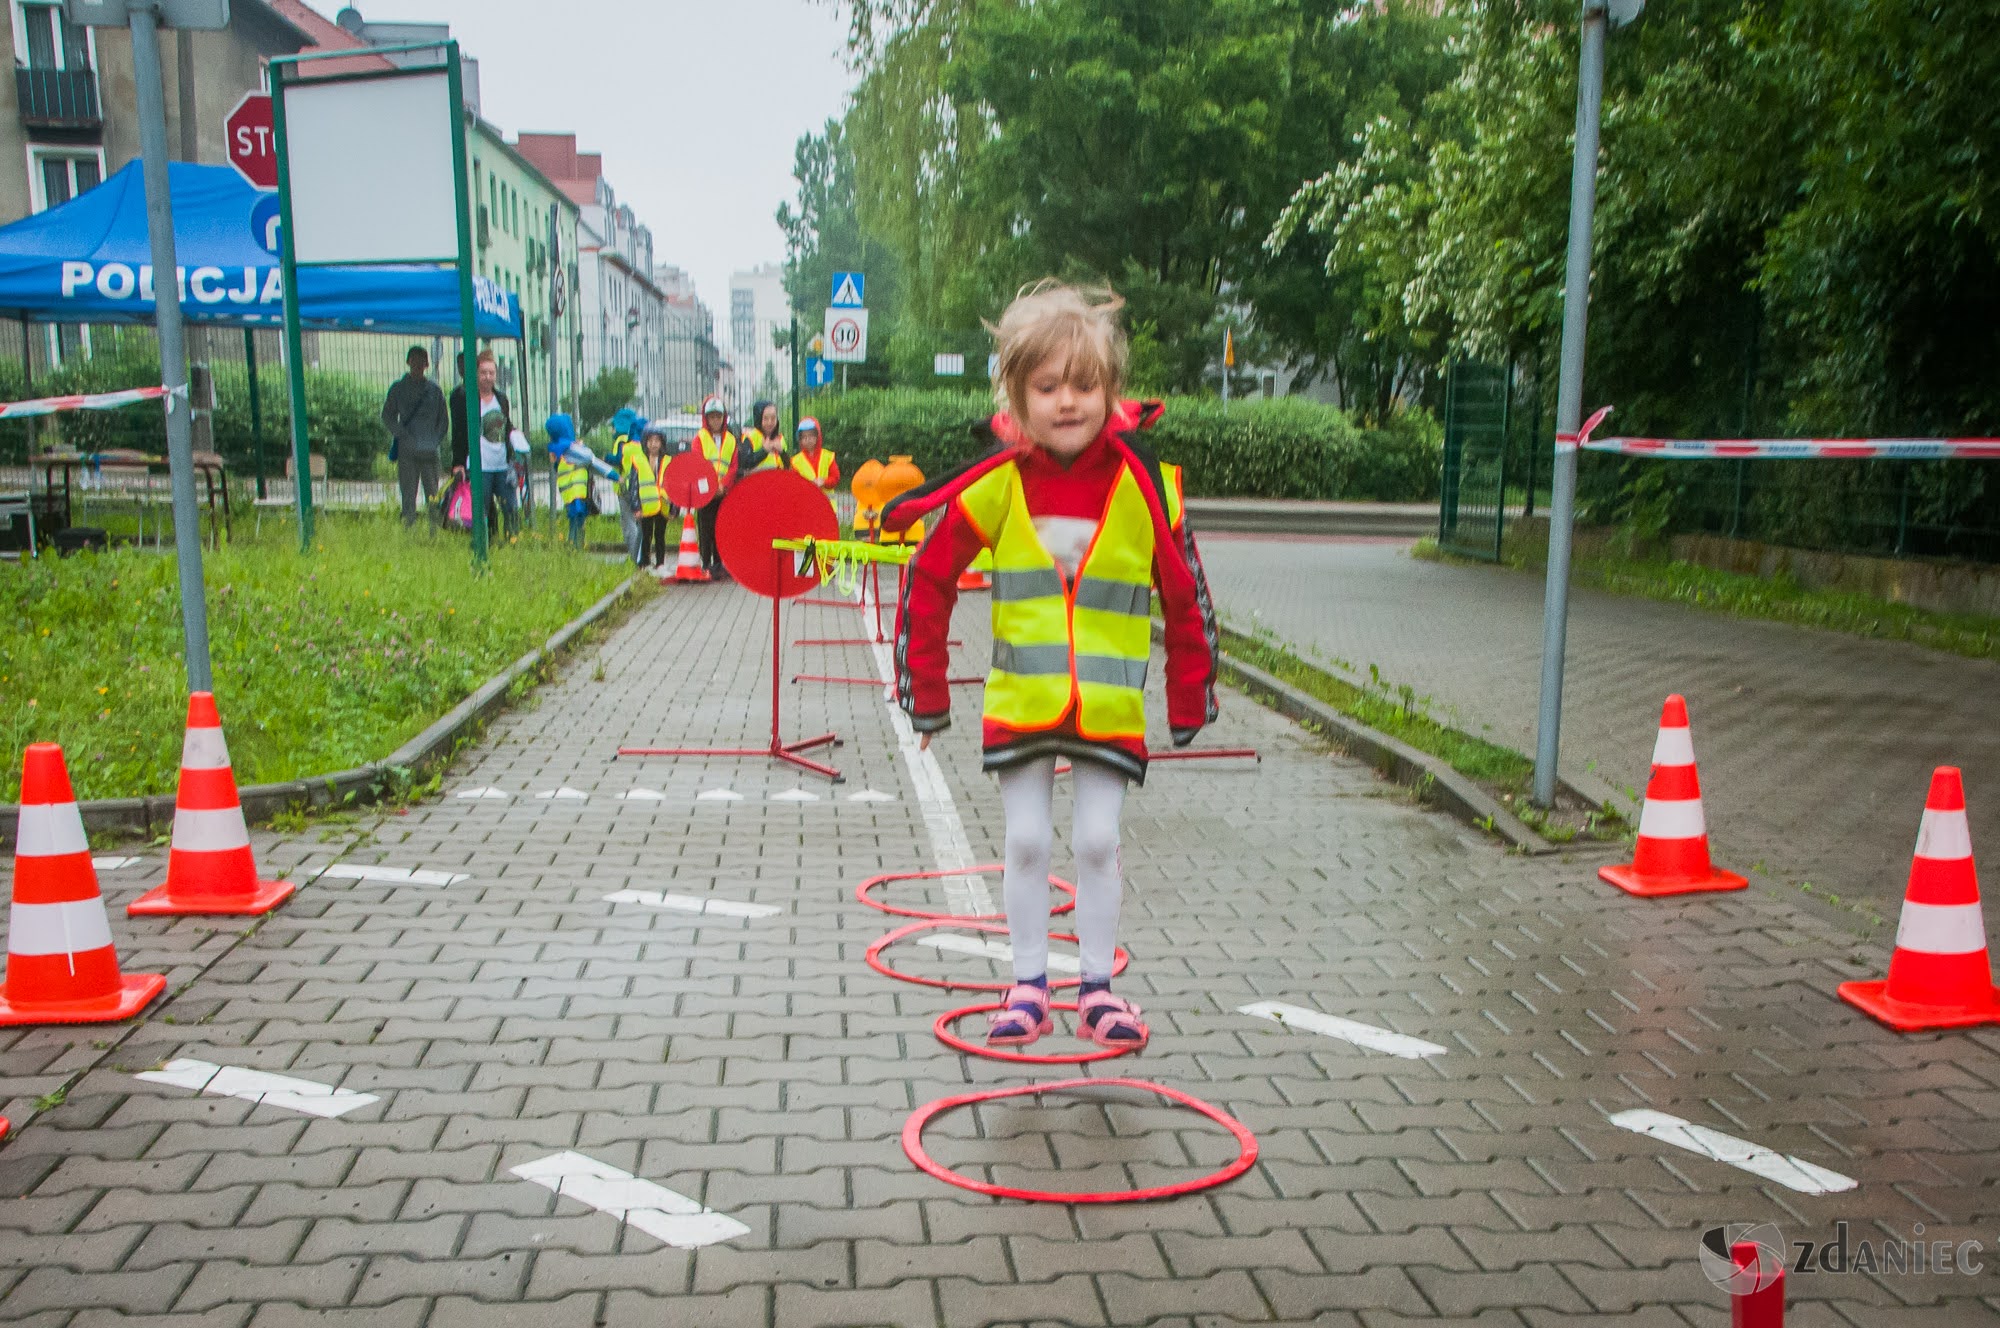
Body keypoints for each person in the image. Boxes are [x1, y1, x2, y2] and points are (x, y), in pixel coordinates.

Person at [883, 281, 1218, 1050]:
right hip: (1024, 701)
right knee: (1029, 841)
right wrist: (925, 699)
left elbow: (1186, 596)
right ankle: (1027, 984)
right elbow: (928, 579)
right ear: (1016, 395)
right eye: (1047, 386)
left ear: (1111, 391)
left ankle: (1097, 989)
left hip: (1108, 708)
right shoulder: (997, 485)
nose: (1068, 400)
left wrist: (1188, 698)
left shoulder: (1149, 486)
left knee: (1097, 841)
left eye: (1085, 384)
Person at [449, 349, 520, 539]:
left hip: (502, 464)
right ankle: (483, 543)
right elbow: (458, 433)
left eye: (491, 373)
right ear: (476, 374)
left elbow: (506, 426)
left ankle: (512, 542)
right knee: (481, 510)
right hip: (479, 466)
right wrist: (458, 463)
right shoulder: (466, 399)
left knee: (511, 508)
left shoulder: (501, 399)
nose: (488, 377)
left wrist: (515, 438)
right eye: (483, 373)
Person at [380, 345, 447, 526]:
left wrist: (434, 441)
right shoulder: (398, 389)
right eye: (414, 360)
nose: (418, 364)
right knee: (408, 496)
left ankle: (435, 533)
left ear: (426, 364)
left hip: (430, 453)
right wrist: (401, 434)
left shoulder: (435, 390)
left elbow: (444, 422)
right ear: (408, 362)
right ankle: (408, 532)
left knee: (433, 496)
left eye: (421, 361)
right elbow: (387, 416)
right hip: (407, 452)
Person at [545, 413, 616, 547]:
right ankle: (576, 547)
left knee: (574, 520)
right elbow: (589, 458)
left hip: (568, 493)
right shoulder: (571, 449)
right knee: (579, 520)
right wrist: (581, 447)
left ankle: (574, 545)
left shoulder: (556, 448)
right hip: (578, 492)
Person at [692, 394, 738, 579]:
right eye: (712, 417)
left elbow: (733, 466)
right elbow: (698, 464)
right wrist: (712, 486)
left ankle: (720, 563)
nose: (715, 420)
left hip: (723, 492)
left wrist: (724, 485)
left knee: (721, 528)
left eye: (718, 416)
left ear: (724, 417)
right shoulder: (699, 438)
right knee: (706, 528)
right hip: (705, 492)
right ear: (706, 418)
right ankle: (707, 563)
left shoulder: (731, 440)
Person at [639, 425, 673, 568]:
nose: (653, 444)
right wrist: (635, 506)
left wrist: (674, 509)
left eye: (657, 441)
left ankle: (660, 563)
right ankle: (645, 562)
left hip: (663, 505)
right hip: (646, 505)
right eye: (650, 441)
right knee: (646, 535)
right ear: (645, 443)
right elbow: (634, 485)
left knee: (660, 535)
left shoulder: (667, 461)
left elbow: (674, 485)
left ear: (662, 443)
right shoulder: (640, 461)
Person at [738, 400, 788, 474]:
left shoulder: (780, 439)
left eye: (773, 418)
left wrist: (782, 452)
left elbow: (788, 465)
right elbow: (745, 464)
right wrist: (764, 451)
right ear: (759, 418)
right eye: (765, 418)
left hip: (777, 481)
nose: (770, 422)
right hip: (758, 482)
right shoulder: (750, 437)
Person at [790, 417, 840, 491]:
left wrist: (824, 482)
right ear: (800, 439)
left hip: (826, 502)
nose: (808, 439)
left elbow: (835, 477)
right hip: (806, 501)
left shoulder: (828, 456)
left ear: (817, 436)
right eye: (804, 437)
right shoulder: (795, 461)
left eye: (811, 435)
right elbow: (794, 483)